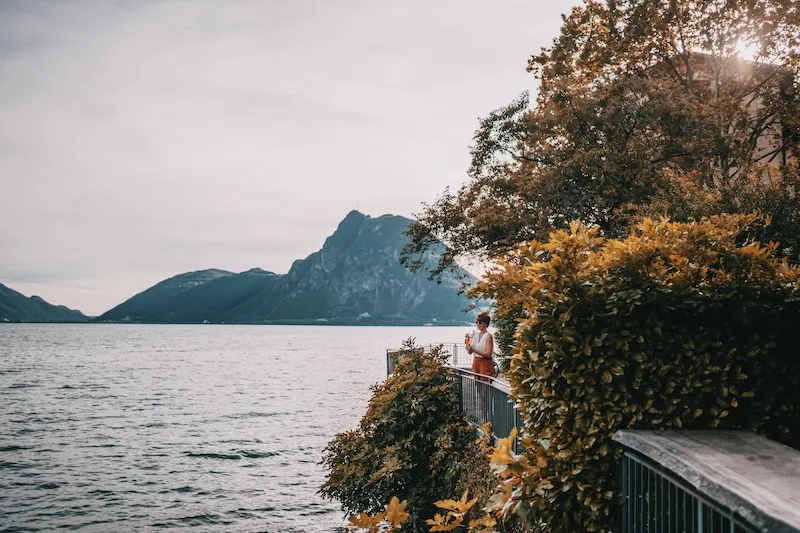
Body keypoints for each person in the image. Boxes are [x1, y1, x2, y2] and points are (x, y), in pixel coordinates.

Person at [468, 312, 494, 380]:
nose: (477, 324)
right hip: (476, 362)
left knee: (484, 384)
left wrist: (474, 350)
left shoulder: (488, 336)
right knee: (477, 384)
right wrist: (468, 347)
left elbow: (488, 354)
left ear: (485, 324)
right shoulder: (475, 335)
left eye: (480, 323)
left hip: (485, 363)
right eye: (476, 322)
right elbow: (470, 352)